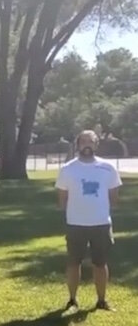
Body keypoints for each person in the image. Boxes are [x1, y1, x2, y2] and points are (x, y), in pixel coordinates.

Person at [55, 130, 122, 312]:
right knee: (73, 263)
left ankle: (101, 301)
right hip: (75, 224)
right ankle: (72, 300)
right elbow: (62, 198)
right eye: (83, 141)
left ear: (96, 144)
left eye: (90, 142)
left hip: (101, 223)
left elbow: (114, 197)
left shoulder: (108, 168)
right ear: (78, 145)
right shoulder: (68, 169)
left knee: (100, 263)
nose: (87, 145)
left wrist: (101, 210)